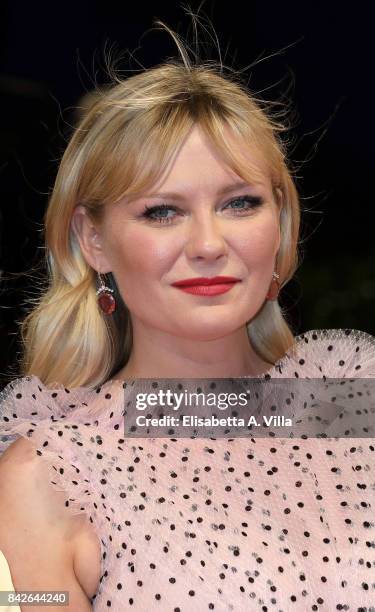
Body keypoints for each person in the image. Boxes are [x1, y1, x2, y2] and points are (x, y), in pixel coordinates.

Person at [1, 20, 375, 612]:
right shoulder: (46, 477)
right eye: (162, 212)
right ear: (92, 240)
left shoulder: (357, 405)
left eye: (240, 203)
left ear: (278, 223)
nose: (207, 243)